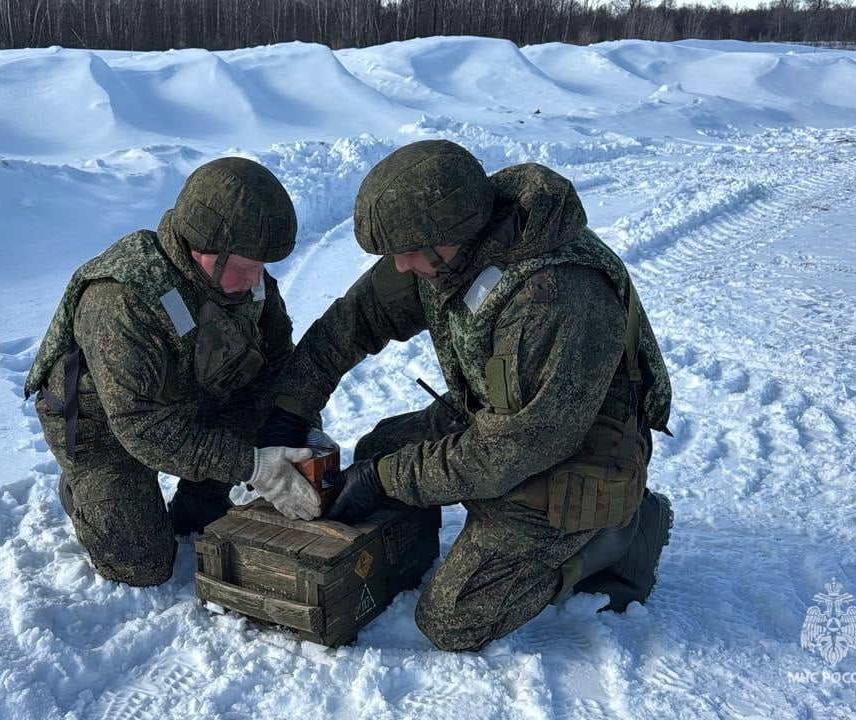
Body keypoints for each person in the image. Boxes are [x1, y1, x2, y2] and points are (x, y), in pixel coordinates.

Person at [254, 140, 675, 651]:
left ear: (449, 235)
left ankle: (619, 534)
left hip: (577, 456)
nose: (401, 266)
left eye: (407, 252)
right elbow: (351, 323)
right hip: (499, 417)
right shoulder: (446, 247)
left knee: (453, 618)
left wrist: (388, 481)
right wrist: (288, 411)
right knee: (376, 452)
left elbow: (511, 451)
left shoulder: (556, 297)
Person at [25, 157, 321, 587]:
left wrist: (295, 427)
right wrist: (253, 465)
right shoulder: (123, 298)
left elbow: (276, 366)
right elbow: (140, 425)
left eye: (261, 265)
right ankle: (83, 490)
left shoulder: (247, 280)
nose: (256, 279)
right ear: (203, 247)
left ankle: (197, 498)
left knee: (201, 521)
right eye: (244, 266)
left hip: (191, 400)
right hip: (105, 428)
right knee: (143, 563)